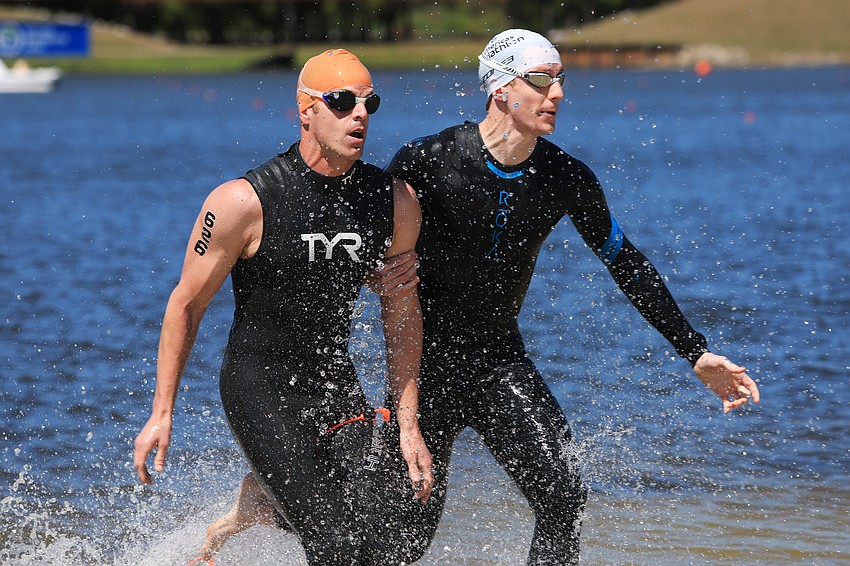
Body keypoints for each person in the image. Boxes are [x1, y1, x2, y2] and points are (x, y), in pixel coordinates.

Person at [205, 30, 762, 565]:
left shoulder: (565, 177)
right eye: (543, 81)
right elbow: (361, 227)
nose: (559, 94)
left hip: (499, 362)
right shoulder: (428, 161)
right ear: (501, 89)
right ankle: (270, 506)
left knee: (564, 496)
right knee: (391, 546)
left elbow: (627, 263)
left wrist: (696, 351)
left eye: (560, 80)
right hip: (428, 373)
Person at [132, 49, 435, 566]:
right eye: (341, 102)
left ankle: (262, 504)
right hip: (260, 386)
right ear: (306, 110)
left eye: (369, 103)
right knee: (336, 543)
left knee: (394, 535)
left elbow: (402, 317)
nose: (358, 115)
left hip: (333, 381)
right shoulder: (243, 203)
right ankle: (274, 498)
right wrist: (162, 413)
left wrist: (408, 424)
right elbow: (185, 305)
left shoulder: (394, 202)